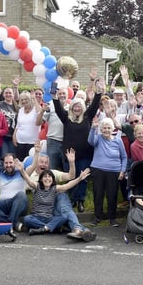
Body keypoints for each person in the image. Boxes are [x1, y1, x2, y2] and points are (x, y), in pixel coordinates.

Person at [53, 79, 104, 212]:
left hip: (85, 154)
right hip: (69, 155)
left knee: (82, 178)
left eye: (79, 106)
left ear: (82, 107)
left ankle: (80, 200)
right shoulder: (66, 117)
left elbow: (95, 104)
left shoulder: (88, 116)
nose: (77, 108)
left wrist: (98, 90)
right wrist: (53, 88)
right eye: (75, 106)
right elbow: (57, 105)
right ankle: (72, 199)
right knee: (71, 177)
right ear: (71, 107)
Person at [17, 164, 92, 236]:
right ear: (41, 179)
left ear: (52, 180)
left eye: (49, 177)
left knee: (64, 216)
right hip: (36, 217)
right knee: (27, 219)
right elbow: (29, 181)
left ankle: (44, 229)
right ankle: (52, 228)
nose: (47, 178)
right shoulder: (37, 186)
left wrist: (79, 178)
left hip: (49, 218)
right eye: (45, 177)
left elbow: (67, 186)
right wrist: (22, 170)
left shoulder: (54, 188)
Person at [88, 117, 127, 227]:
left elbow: (124, 157)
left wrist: (122, 171)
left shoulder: (118, 140)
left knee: (112, 195)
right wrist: (93, 129)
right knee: (98, 194)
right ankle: (97, 217)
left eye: (108, 128)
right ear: (101, 129)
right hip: (98, 169)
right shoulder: (98, 138)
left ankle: (112, 218)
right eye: (104, 128)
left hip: (114, 171)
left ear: (113, 129)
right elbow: (90, 141)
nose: (106, 130)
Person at [13, 91, 41, 161]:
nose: (24, 101)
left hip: (32, 142)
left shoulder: (36, 108)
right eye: (22, 100)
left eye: (26, 99)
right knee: (20, 162)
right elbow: (18, 125)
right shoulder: (21, 110)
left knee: (31, 162)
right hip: (20, 142)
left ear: (30, 99)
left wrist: (34, 99)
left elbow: (40, 112)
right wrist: (14, 136)